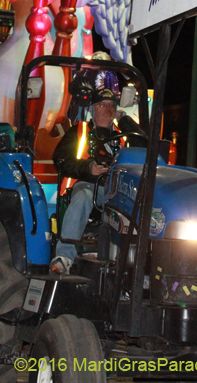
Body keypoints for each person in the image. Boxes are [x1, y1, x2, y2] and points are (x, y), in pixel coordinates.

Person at [50, 88, 143, 273]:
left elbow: (145, 147)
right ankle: (64, 257)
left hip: (118, 189)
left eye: (111, 106)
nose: (107, 109)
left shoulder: (123, 135)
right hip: (88, 184)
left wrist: (124, 119)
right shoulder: (79, 131)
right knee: (83, 196)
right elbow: (60, 158)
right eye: (102, 105)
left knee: (140, 203)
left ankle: (132, 263)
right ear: (93, 108)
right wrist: (88, 167)